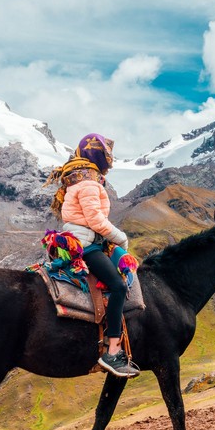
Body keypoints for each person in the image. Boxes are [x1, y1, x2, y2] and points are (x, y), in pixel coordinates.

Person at [47, 133, 139, 378]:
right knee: (118, 287)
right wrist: (120, 238)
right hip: (88, 245)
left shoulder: (76, 180)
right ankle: (112, 351)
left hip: (83, 240)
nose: (109, 163)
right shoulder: (89, 184)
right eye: (107, 157)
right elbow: (95, 220)